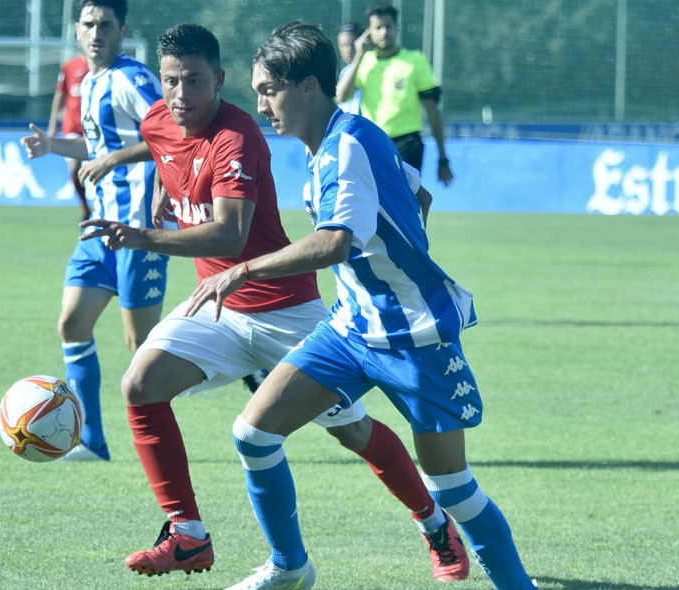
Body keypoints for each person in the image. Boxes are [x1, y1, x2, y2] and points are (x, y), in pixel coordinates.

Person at [79, 22, 468, 582]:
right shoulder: (160, 120)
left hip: (287, 310)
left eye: (194, 81)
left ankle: (434, 525)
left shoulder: (239, 137)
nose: (181, 95)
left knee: (353, 431)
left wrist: (143, 235)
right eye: (170, 81)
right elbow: (165, 143)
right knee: (139, 383)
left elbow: (229, 235)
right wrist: (163, 186)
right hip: (218, 305)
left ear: (219, 79)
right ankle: (187, 532)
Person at [187, 22, 535, 590]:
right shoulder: (335, 140)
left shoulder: (346, 144)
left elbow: (334, 244)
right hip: (349, 330)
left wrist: (244, 269)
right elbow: (416, 192)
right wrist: (399, 250)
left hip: (414, 336)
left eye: (269, 89)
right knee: (254, 433)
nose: (260, 104)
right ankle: (289, 567)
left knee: (453, 488)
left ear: (308, 88)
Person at [20, 0, 167, 462]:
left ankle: (179, 413)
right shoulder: (89, 80)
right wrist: (52, 145)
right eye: (89, 24)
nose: (96, 32)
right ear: (77, 31)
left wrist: (136, 174)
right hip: (98, 229)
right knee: (72, 321)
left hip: (135, 229)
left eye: (106, 24)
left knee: (141, 348)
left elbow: (172, 133)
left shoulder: (132, 78)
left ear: (123, 30)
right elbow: (98, 145)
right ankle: (90, 441)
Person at [336, 2, 454, 186]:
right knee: (375, 203)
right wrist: (358, 56)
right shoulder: (364, 62)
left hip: (408, 144)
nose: (384, 32)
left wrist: (443, 158)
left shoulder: (415, 61)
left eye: (388, 26)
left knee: (403, 202)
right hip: (373, 143)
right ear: (369, 32)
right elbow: (341, 97)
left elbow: (432, 111)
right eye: (378, 27)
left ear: (397, 28)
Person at [48, 54, 92, 219]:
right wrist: (53, 124)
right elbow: (60, 95)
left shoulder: (104, 66)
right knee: (74, 170)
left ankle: (103, 207)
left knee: (101, 168)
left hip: (94, 128)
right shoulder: (69, 66)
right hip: (73, 127)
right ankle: (85, 208)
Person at [335, 22, 363, 115]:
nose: (348, 50)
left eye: (352, 44)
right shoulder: (344, 72)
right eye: (343, 45)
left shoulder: (370, 66)